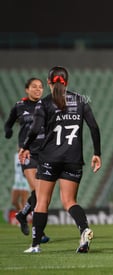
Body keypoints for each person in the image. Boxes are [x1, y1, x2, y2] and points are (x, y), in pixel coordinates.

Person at [18, 66, 102, 253]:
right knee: (69, 201)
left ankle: (35, 245)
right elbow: (94, 128)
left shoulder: (44, 103)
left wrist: (24, 147)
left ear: (48, 82)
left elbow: (35, 129)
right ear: (67, 82)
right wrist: (97, 153)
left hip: (49, 158)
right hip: (73, 159)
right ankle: (84, 229)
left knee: (42, 201)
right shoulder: (80, 100)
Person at [4, 77, 50, 243]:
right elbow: (8, 124)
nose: (38, 89)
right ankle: (39, 233)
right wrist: (8, 132)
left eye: (40, 87)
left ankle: (22, 215)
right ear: (27, 89)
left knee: (43, 195)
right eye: (34, 87)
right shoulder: (19, 106)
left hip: (45, 154)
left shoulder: (46, 105)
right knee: (39, 192)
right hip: (28, 154)